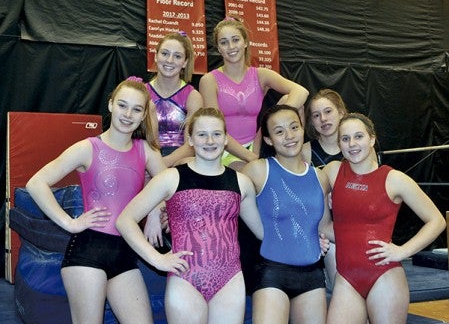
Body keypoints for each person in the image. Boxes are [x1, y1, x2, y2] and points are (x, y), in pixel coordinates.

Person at [25, 78, 168, 324]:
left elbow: (170, 187)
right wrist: (69, 223)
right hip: (87, 251)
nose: (128, 114)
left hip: (125, 253)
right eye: (122, 105)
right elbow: (36, 183)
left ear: (144, 114)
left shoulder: (146, 150)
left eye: (136, 109)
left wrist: (155, 209)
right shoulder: (87, 148)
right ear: (111, 105)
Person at [116, 107, 264, 324]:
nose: (210, 140)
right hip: (186, 278)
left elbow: (263, 232)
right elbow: (125, 220)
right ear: (191, 140)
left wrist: (310, 239)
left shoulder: (241, 183)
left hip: (230, 280)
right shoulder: (170, 178)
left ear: (225, 140)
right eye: (202, 134)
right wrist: (156, 259)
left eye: (216, 134)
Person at [324, 113, 445, 324]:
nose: (352, 144)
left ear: (372, 139)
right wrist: (317, 233)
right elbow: (314, 213)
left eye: (359, 136)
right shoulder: (333, 172)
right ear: (339, 143)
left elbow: (437, 220)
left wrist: (402, 251)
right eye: (345, 138)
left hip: (384, 276)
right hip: (346, 278)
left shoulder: (394, 179)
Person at [242, 104, 333, 324]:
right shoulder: (258, 170)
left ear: (303, 130)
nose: (289, 136)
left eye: (294, 127)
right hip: (271, 274)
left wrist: (369, 232)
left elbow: (324, 228)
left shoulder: (320, 178)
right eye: (279, 131)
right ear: (269, 140)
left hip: (312, 275)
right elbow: (222, 195)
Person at [199, 16, 309, 171]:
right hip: (224, 149)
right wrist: (251, 157)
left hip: (257, 146)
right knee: (252, 175)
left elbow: (301, 91)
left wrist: (270, 124)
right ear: (218, 49)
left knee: (290, 102)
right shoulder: (209, 80)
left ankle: (298, 161)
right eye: (224, 42)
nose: (231, 46)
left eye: (235, 40)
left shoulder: (260, 75)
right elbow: (214, 128)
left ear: (245, 42)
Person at [302, 88, 348, 291]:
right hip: (323, 232)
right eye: (316, 115)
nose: (323, 119)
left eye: (328, 112)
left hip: (354, 226)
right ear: (311, 122)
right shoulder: (305, 151)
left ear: (341, 112)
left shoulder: (358, 146)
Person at [145, 31, 203, 167]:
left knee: (190, 165)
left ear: (185, 62)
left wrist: (162, 164)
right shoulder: (142, 93)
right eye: (164, 53)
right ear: (155, 56)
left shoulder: (193, 96)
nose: (170, 60)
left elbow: (191, 144)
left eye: (177, 56)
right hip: (147, 156)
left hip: (179, 159)